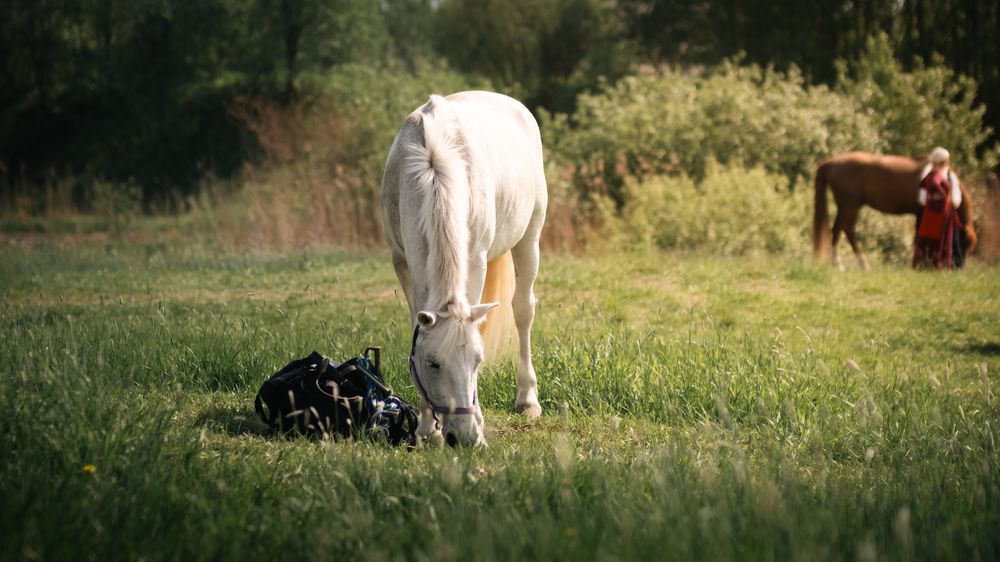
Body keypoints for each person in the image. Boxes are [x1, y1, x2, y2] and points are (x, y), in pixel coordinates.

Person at [913, 147, 963, 269]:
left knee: (940, 240)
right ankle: (934, 264)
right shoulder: (933, 174)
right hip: (938, 213)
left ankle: (945, 264)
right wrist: (942, 196)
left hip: (937, 212)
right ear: (944, 161)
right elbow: (925, 194)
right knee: (937, 240)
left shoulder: (944, 175)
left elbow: (956, 198)